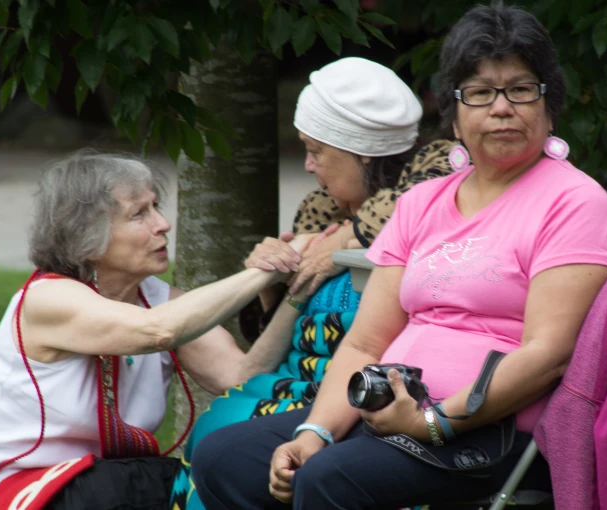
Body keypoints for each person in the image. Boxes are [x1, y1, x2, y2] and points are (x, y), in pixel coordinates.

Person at [191, 4, 607, 509]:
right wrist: (315, 431)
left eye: (520, 89)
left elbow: (546, 354)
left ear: (547, 101)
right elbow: (363, 344)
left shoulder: (573, 202)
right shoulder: (422, 202)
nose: (502, 107)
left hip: (495, 433)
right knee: (223, 457)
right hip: (387, 411)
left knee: (330, 480)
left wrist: (435, 420)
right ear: (453, 110)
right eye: (480, 92)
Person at [0, 151, 309, 510]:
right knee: (190, 484)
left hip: (93, 484)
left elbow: (240, 375)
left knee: (219, 475)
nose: (163, 223)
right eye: (139, 213)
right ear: (89, 237)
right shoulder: (48, 300)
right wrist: (261, 272)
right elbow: (158, 331)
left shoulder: (159, 300)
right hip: (3, 497)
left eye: (156, 206)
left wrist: (290, 292)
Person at [170, 57, 453, 509]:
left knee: (227, 435)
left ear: (361, 149)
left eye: (317, 151)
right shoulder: (320, 218)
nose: (307, 165)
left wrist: (350, 236)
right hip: (293, 389)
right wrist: (270, 285)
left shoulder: (428, 211)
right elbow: (288, 345)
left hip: (353, 403)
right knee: (221, 427)